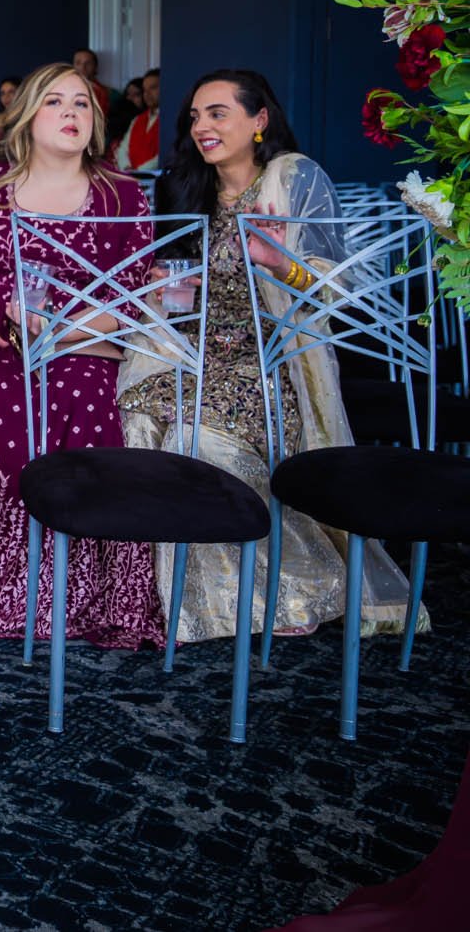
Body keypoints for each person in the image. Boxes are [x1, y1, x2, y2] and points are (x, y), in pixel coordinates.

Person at [118, 69, 423, 640]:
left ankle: (285, 591)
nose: (202, 127)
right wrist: (169, 283)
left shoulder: (292, 177)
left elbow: (336, 291)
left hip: (268, 358)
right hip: (194, 350)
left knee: (195, 439)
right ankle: (154, 600)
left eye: (217, 113)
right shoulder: (187, 191)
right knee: (136, 418)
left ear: (259, 121)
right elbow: (189, 289)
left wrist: (282, 263)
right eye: (195, 117)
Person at [0, 63, 164, 648]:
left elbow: (132, 293)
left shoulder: (123, 195)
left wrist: (60, 328)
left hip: (82, 338)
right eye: (54, 102)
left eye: (82, 104)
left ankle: (71, 584)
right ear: (27, 117)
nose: (70, 114)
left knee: (82, 396)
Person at [114, 66, 162, 172]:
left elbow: (164, 155)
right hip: (131, 177)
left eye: (153, 88)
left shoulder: (169, 119)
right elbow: (123, 149)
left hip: (154, 179)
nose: (147, 94)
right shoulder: (137, 119)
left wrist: (138, 171)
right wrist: (127, 168)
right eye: (144, 90)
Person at [71, 46, 115, 121]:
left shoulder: (110, 94)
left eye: (88, 63)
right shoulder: (63, 91)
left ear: (95, 67)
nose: (82, 67)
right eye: (78, 63)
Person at [106, 73, 146, 150]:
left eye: (136, 94)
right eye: (128, 94)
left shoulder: (145, 119)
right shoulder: (117, 110)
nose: (130, 98)